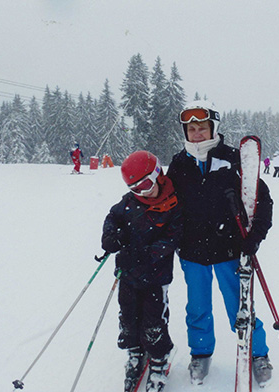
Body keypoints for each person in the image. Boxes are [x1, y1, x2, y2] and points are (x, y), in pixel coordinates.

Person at [167, 100, 274, 387]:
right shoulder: (179, 164)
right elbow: (165, 203)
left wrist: (255, 237)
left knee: (239, 307)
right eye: (191, 129)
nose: (197, 134)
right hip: (191, 252)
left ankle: (256, 353)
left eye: (202, 128)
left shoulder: (233, 159)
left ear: (213, 128)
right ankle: (201, 352)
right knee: (198, 307)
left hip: (230, 250)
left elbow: (263, 202)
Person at [101, 151, 182, 392]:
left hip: (155, 278)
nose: (144, 192)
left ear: (157, 174)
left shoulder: (172, 205)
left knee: (153, 322)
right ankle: (135, 353)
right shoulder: (128, 202)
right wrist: (110, 236)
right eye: (136, 189)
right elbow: (112, 217)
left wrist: (145, 254)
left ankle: (158, 360)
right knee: (128, 318)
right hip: (127, 275)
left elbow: (172, 238)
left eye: (146, 185)